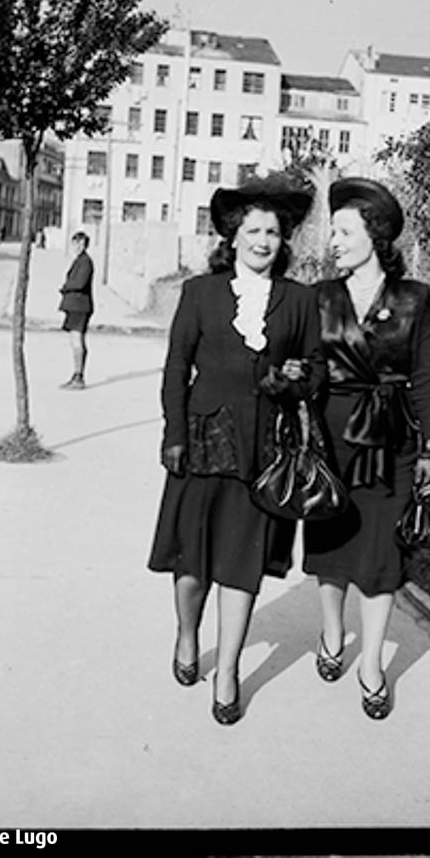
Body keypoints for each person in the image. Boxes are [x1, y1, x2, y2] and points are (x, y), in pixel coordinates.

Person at [147, 177, 325, 726]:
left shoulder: (300, 301)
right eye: (254, 230)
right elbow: (177, 368)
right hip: (201, 443)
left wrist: (295, 379)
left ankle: (226, 672)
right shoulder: (200, 293)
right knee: (193, 563)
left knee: (241, 564)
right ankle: (185, 633)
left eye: (273, 231)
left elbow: (316, 372)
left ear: (284, 240)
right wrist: (173, 433)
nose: (264, 240)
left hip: (262, 453)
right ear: (234, 235)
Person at [302, 177, 430, 720]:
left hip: (393, 440)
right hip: (332, 438)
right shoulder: (322, 297)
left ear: (375, 236)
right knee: (331, 545)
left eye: (344, 230)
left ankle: (372, 663)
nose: (333, 240)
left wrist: (428, 450)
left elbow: (425, 376)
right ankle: (334, 634)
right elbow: (310, 368)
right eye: (332, 230)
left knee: (382, 555)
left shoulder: (414, 299)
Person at [58, 231, 94, 389]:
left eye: (81, 243)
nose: (78, 246)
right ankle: (76, 375)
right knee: (75, 341)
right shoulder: (79, 260)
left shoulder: (86, 262)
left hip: (80, 306)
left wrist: (65, 287)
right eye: (75, 243)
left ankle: (78, 376)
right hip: (75, 306)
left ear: (85, 245)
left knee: (77, 340)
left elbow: (79, 283)